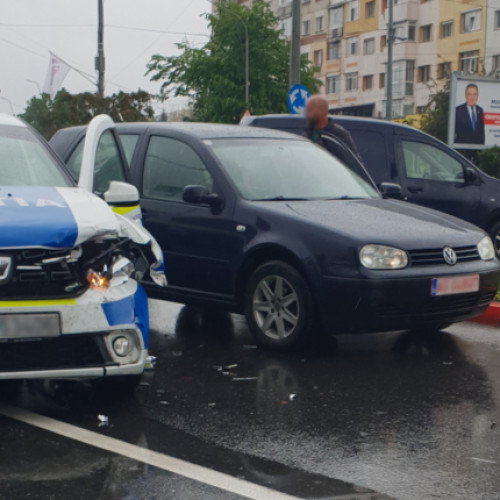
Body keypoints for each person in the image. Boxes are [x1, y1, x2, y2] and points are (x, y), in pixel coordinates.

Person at [304, 95, 364, 163]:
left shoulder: (339, 135)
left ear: (323, 111)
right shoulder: (306, 134)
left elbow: (355, 163)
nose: (306, 114)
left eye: (310, 110)